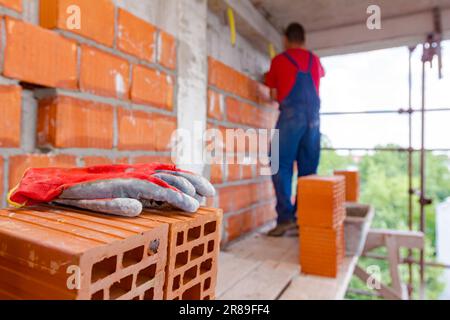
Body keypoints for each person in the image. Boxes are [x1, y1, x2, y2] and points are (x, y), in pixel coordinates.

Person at [265, 22, 325, 237]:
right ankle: (304, 219)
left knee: (278, 163)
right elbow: (319, 79)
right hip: (315, 121)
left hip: (291, 117)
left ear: (286, 39)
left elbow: (273, 95)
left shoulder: (280, 60)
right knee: (308, 171)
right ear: (304, 39)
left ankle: (286, 219)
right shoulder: (315, 60)